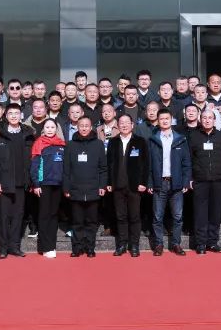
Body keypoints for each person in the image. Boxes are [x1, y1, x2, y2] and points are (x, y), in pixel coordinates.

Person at [0, 103, 35, 259]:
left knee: (18, 216)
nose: (14, 116)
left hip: (22, 183)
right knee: (3, 217)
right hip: (4, 183)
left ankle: (15, 247)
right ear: (6, 115)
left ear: (21, 115)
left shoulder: (28, 134)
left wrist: (31, 180)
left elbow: (33, 159)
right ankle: (3, 248)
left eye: (17, 113)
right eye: (11, 113)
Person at [147, 108, 191, 256]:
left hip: (176, 183)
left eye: (167, 118)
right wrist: (150, 182)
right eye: (162, 119)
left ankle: (176, 244)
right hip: (159, 182)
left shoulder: (180, 139)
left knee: (177, 216)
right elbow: (149, 164)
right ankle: (158, 244)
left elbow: (186, 163)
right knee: (157, 217)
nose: (164, 121)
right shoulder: (153, 140)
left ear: (171, 120)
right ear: (158, 121)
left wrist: (186, 182)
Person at [187, 109, 221, 254]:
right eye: (204, 118)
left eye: (210, 118)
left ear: (214, 120)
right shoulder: (193, 136)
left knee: (215, 212)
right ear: (200, 120)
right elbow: (188, 159)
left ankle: (212, 242)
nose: (207, 120)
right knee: (200, 213)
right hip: (200, 180)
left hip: (219, 180)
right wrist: (190, 178)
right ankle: (200, 243)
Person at [63, 116, 108, 258]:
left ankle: (90, 248)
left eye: (86, 125)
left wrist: (102, 185)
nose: (84, 128)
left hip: (93, 189)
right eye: (81, 125)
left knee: (91, 222)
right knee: (77, 222)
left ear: (91, 127)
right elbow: (66, 169)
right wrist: (66, 188)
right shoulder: (70, 145)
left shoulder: (98, 144)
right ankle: (77, 248)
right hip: (75, 189)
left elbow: (103, 168)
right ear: (77, 127)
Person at [106, 113, 149, 257]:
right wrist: (109, 182)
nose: (124, 125)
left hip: (134, 185)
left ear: (132, 125)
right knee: (120, 216)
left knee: (134, 216)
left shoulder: (140, 141)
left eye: (127, 122)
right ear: (117, 125)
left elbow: (145, 164)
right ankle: (122, 244)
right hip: (117, 185)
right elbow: (109, 164)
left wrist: (143, 182)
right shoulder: (113, 142)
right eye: (121, 123)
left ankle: (134, 245)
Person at [30, 118, 66, 258]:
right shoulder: (39, 143)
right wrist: (36, 184)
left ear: (56, 129)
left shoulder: (62, 144)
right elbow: (35, 166)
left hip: (58, 185)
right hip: (44, 184)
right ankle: (45, 247)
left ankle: (52, 245)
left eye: (52, 127)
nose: (50, 129)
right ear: (43, 129)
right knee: (44, 215)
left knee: (53, 215)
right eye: (47, 127)